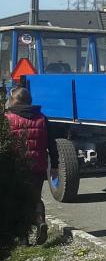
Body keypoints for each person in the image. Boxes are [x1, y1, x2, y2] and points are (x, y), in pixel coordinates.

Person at [5, 85, 59, 245]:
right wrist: (54, 166)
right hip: (38, 165)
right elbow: (52, 144)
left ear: (13, 100)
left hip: (16, 167)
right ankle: (40, 220)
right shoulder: (42, 118)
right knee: (35, 197)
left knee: (18, 200)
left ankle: (24, 239)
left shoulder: (7, 118)